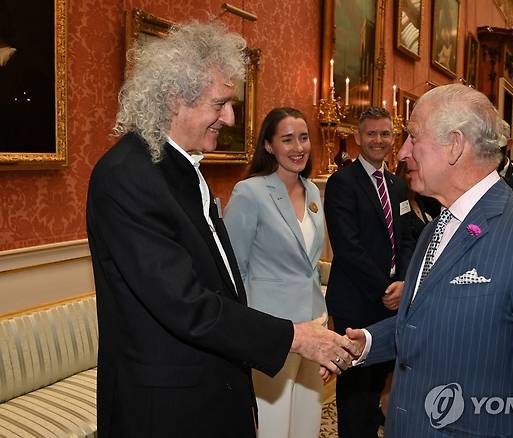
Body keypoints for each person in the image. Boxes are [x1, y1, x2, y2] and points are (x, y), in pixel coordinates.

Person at [86, 22, 357, 438]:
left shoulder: (181, 166)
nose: (229, 117)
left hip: (212, 382)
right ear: (176, 99)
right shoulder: (127, 176)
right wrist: (294, 338)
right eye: (221, 103)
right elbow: (184, 303)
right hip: (167, 406)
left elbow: (222, 284)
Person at [344, 84, 513, 437]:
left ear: (455, 145)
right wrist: (367, 342)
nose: (401, 152)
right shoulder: (436, 229)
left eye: (413, 137)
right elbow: (424, 317)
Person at [223, 107, 326, 437]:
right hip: (272, 329)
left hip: (315, 322)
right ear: (269, 145)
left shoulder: (312, 191)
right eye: (287, 139)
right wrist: (244, 330)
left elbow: (309, 265)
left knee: (308, 421)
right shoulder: (250, 192)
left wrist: (325, 319)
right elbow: (233, 269)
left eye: (304, 138)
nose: (298, 147)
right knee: (273, 425)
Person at [324, 106, 410, 437]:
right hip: (356, 302)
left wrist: (401, 282)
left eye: (385, 133)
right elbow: (348, 248)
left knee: (379, 388)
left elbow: (405, 238)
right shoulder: (341, 183)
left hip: (391, 302)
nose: (378, 140)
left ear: (393, 137)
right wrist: (385, 288)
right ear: (358, 137)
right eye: (371, 133)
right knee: (355, 395)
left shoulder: (397, 185)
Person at [396, 160, 442, 264]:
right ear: (401, 174)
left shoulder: (424, 201)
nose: (415, 176)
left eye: (418, 172)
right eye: (410, 172)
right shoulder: (397, 205)